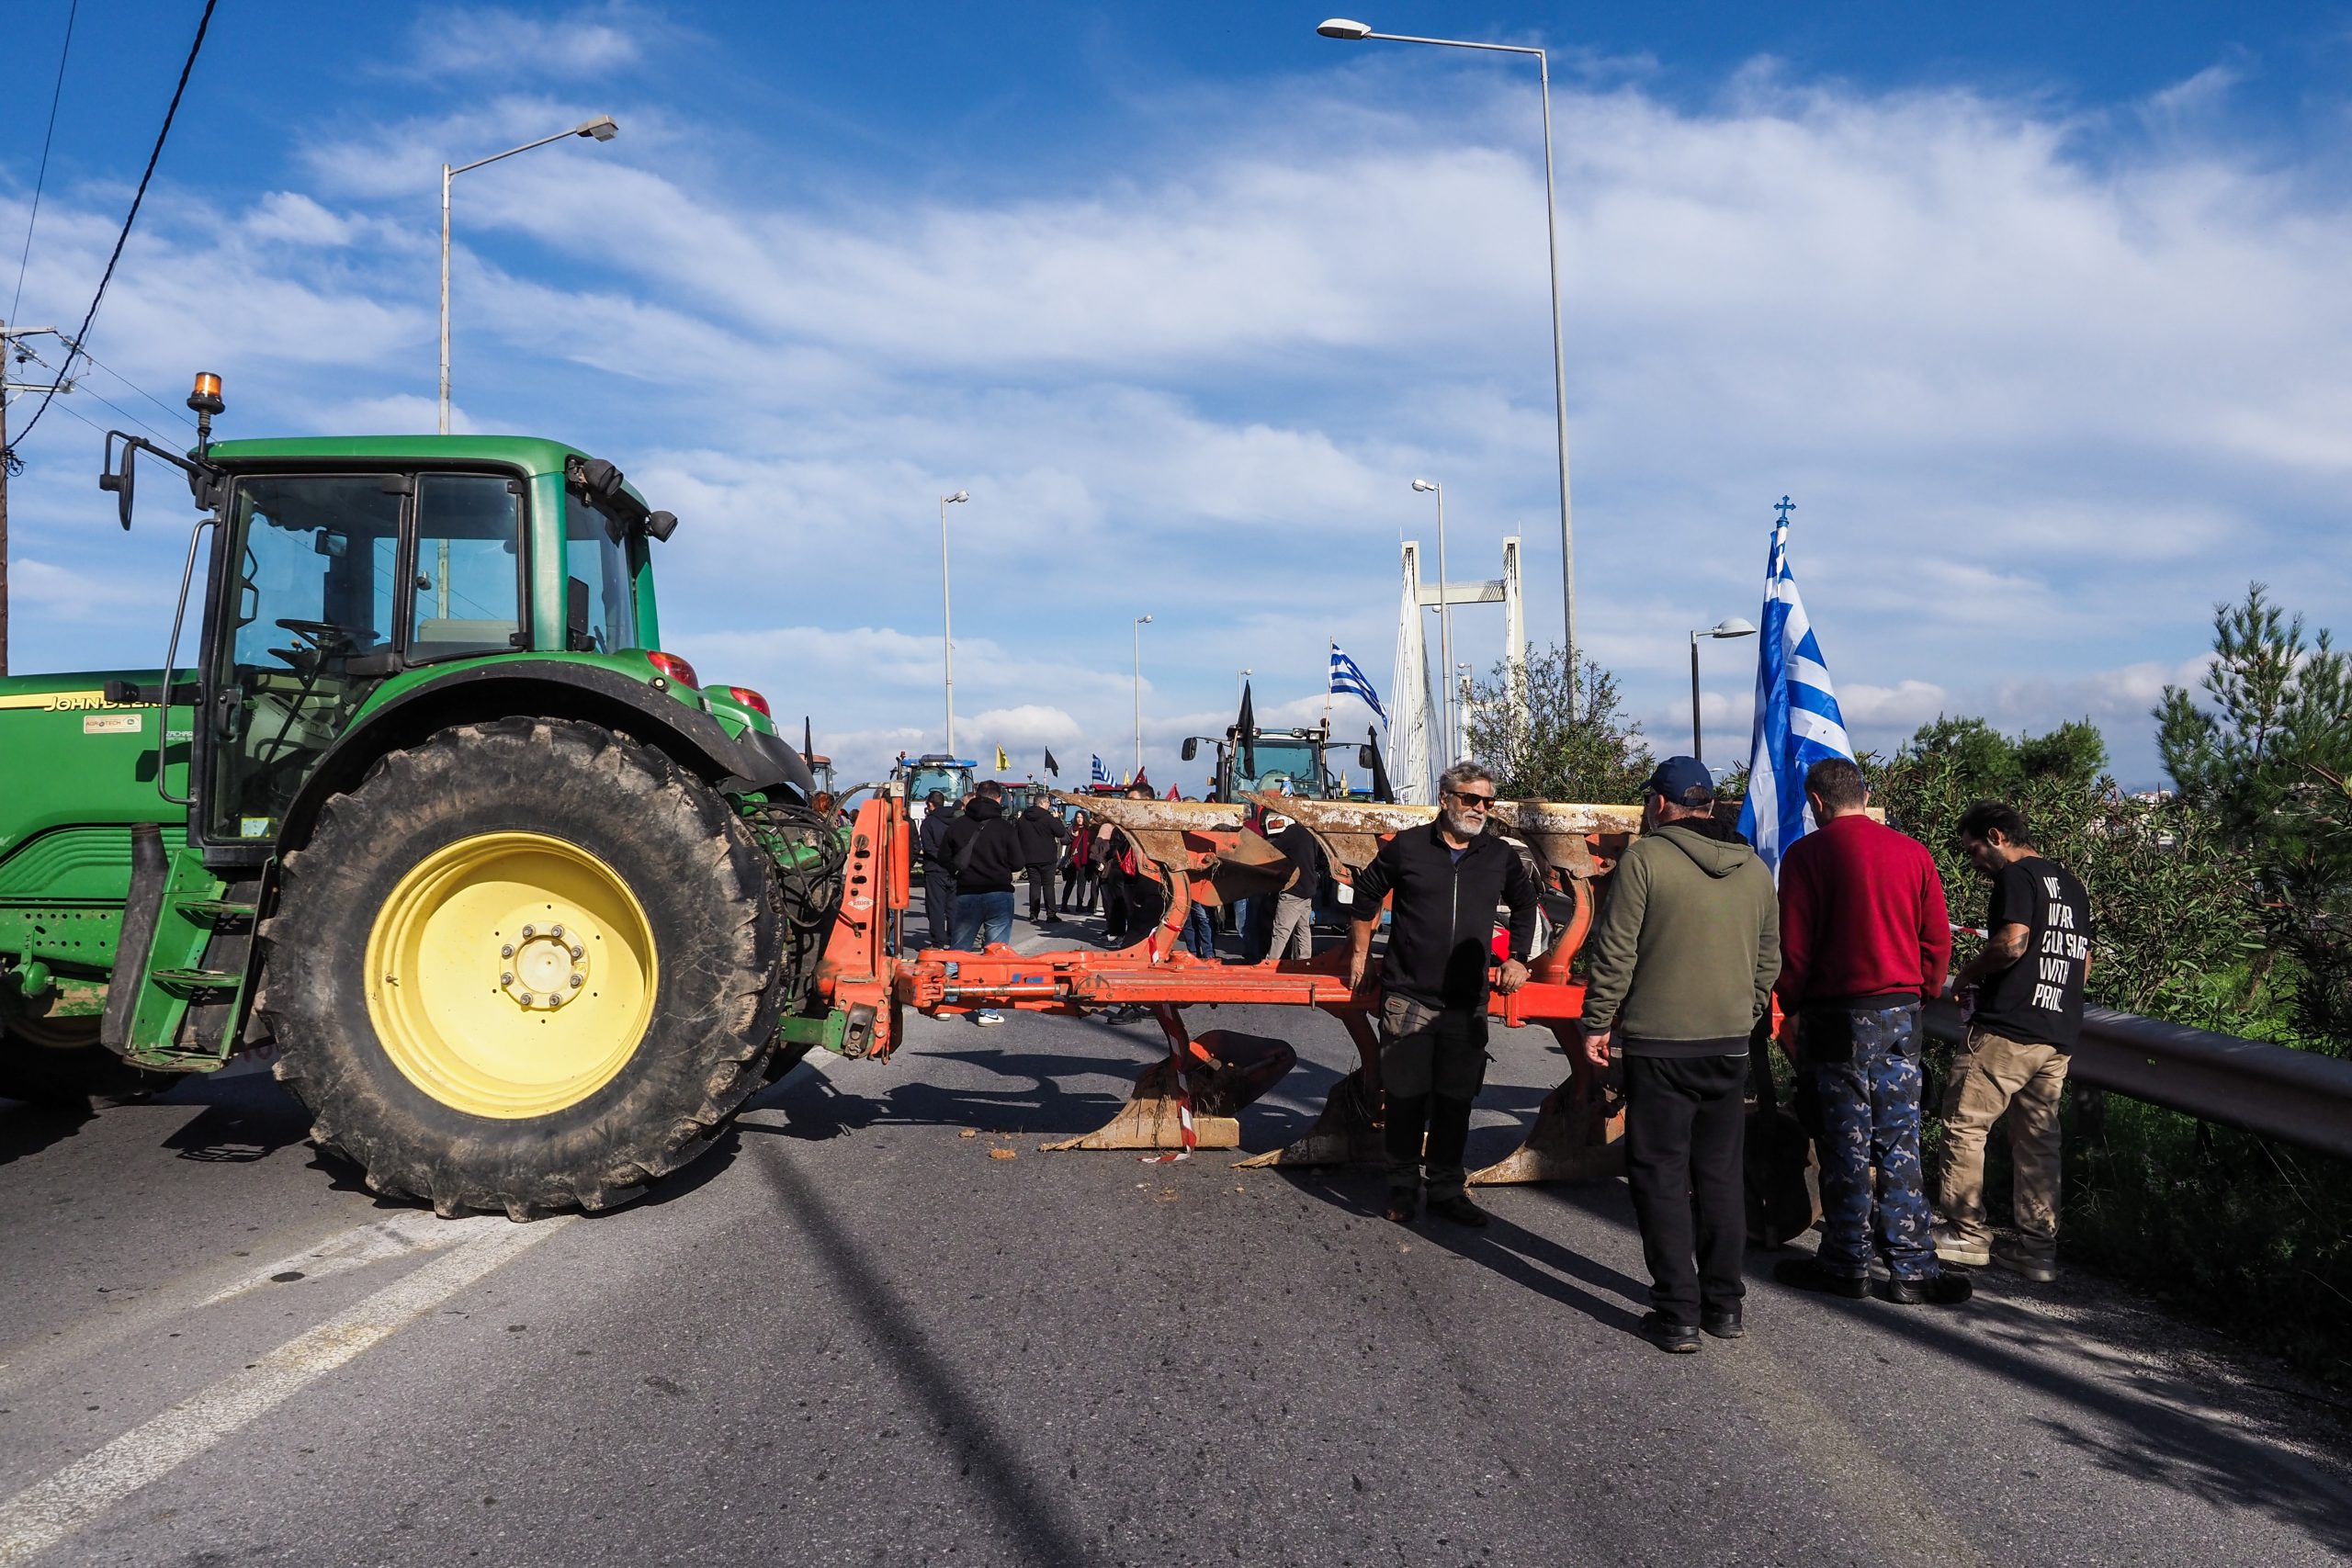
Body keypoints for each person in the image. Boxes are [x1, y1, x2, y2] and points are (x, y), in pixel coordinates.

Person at [1578, 758, 1780, 1353]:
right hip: (1727, 1043)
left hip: (1660, 1042)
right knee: (1718, 1172)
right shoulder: (1755, 868)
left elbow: (1615, 951)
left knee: (1660, 1173)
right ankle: (1724, 1303)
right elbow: (1770, 958)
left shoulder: (1645, 859)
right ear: (1710, 805)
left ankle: (1677, 1310)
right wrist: (1743, 1015)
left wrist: (1596, 1021)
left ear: (1661, 804)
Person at [1772, 757, 1971, 1306]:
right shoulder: (1912, 853)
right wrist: (1920, 994)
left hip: (1837, 1014)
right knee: (1900, 1139)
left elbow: (1796, 946)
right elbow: (1936, 941)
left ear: (1816, 803)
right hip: (1902, 1014)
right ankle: (1912, 1268)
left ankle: (1846, 1262)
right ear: (1864, 794)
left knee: (1844, 1141)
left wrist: (1792, 1004)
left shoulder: (1808, 855)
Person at [1346, 761, 1539, 1228]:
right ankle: (1402, 1187)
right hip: (1408, 994)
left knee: (1455, 1100)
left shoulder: (1498, 854)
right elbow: (1366, 893)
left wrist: (1518, 958)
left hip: (1465, 1001)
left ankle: (1448, 1188)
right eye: (1471, 799)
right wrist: (1358, 954)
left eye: (1487, 802)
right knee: (1406, 1098)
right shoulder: (1408, 847)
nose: (1479, 809)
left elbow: (1526, 902)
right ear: (1446, 798)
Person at [1934, 801, 2091, 1283]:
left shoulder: (2016, 878)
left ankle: (1966, 1233)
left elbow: (2013, 943)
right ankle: (2036, 1251)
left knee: (1964, 1124)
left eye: (1975, 849)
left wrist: (1966, 973)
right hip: (2057, 1031)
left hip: (2008, 1028)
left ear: (1997, 836)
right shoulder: (2071, 883)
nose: (1975, 862)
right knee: (2037, 1142)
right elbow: (2082, 965)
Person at [945, 782, 1025, 1025]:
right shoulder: (1005, 827)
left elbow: (943, 858)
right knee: (995, 952)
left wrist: (960, 872)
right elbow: (1017, 863)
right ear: (999, 799)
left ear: (975, 797)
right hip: (999, 894)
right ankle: (987, 1011)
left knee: (959, 950)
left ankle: (945, 1001)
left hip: (967, 893)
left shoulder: (958, 825)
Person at [1263, 809, 1324, 961]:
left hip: (1294, 889)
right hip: (1309, 888)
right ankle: (1305, 962)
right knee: (1303, 930)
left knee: (1281, 932)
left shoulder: (1293, 831)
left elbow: (1272, 851)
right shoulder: (1313, 833)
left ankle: (1271, 963)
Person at [915, 790, 959, 950]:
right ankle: (955, 938)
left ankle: (938, 941)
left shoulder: (928, 823)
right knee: (953, 906)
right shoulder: (956, 820)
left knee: (936, 907)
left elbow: (928, 847)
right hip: (954, 868)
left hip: (935, 868)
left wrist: (942, 858)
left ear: (930, 804)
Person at [1016, 794, 1069, 924]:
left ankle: (1033, 914)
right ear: (1043, 803)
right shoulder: (1047, 817)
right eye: (1048, 803)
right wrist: (1057, 819)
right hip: (1047, 857)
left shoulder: (1023, 818)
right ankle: (1051, 914)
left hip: (1030, 857)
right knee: (1048, 886)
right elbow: (1061, 832)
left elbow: (1016, 834)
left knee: (1034, 885)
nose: (1049, 806)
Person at [1059, 810, 1097, 914]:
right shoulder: (1071, 828)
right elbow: (1063, 841)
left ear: (1084, 818)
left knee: (1082, 883)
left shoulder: (1088, 830)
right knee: (1070, 883)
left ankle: (1079, 905)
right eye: (1077, 817)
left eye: (1081, 817)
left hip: (1084, 861)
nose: (1079, 819)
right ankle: (1064, 905)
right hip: (1072, 860)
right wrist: (1072, 836)